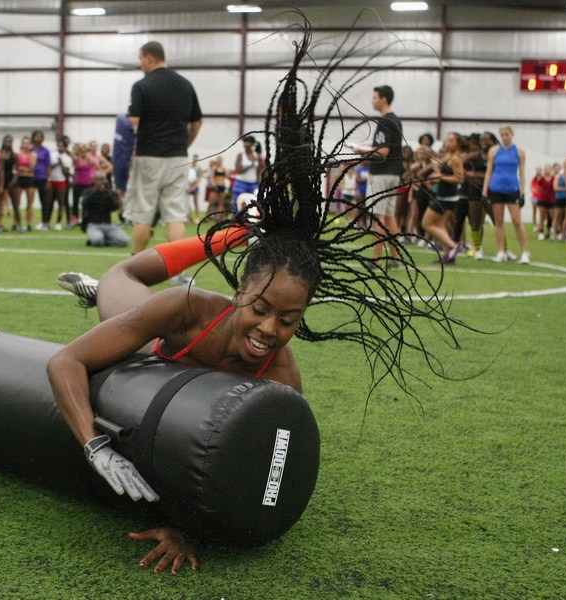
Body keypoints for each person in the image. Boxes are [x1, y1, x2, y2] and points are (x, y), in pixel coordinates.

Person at [48, 26, 465, 575]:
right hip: (158, 334)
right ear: (240, 290)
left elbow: (252, 461)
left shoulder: (282, 380)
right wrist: (94, 446)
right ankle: (214, 244)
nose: (270, 329)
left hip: (178, 349)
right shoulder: (188, 309)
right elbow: (64, 362)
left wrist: (186, 526)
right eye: (262, 308)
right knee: (120, 274)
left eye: (289, 319)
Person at [123, 40, 203, 256]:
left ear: (149, 57)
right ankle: (176, 269)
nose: (140, 64)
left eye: (140, 59)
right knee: (175, 213)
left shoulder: (141, 86)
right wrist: (184, 144)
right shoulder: (186, 85)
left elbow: (133, 122)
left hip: (148, 155)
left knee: (143, 212)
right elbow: (196, 122)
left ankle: (135, 266)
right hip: (178, 157)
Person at [361, 84, 403, 269]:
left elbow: (383, 151)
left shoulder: (385, 121)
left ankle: (376, 260)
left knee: (378, 217)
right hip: (394, 173)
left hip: (382, 173)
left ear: (383, 99)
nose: (372, 101)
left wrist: (363, 151)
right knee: (390, 216)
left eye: (374, 97)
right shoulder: (396, 120)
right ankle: (396, 258)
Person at [481, 124, 529, 264]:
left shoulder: (519, 152)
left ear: (511, 135)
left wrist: (522, 191)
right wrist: (485, 191)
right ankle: (501, 251)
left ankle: (524, 252)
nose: (504, 137)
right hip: (496, 188)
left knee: (517, 221)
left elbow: (522, 173)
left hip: (512, 189)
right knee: (499, 222)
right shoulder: (494, 151)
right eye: (502, 135)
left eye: (507, 134)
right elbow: (489, 172)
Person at [421, 132, 465, 264]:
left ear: (457, 144)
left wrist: (440, 177)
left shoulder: (455, 159)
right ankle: (448, 256)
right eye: (447, 140)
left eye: (451, 141)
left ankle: (453, 245)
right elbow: (439, 172)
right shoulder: (447, 156)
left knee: (427, 224)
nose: (447, 142)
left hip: (448, 197)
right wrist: (435, 178)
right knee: (440, 225)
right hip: (443, 194)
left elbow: (459, 178)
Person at [79, 172, 129, 247]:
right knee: (97, 240)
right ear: (93, 180)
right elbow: (85, 205)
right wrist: (94, 192)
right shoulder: (88, 192)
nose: (98, 182)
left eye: (101, 180)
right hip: (93, 225)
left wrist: (107, 192)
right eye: (97, 180)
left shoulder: (110, 193)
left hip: (108, 224)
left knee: (124, 241)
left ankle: (105, 241)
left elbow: (115, 207)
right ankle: (100, 239)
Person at [31, 130, 52, 230]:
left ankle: (45, 222)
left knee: (44, 201)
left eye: (40, 136)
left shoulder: (45, 151)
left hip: (42, 177)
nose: (38, 138)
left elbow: (48, 166)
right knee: (29, 200)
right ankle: (28, 223)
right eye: (36, 136)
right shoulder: (30, 149)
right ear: (33, 137)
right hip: (30, 176)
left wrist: (48, 180)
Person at [232, 135, 260, 210]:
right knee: (237, 203)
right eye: (244, 142)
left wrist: (259, 182)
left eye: (248, 142)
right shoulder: (241, 155)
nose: (245, 144)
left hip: (253, 184)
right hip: (241, 183)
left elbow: (258, 171)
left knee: (253, 203)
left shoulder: (256, 155)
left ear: (253, 144)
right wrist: (251, 165)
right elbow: (238, 170)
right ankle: (235, 219)